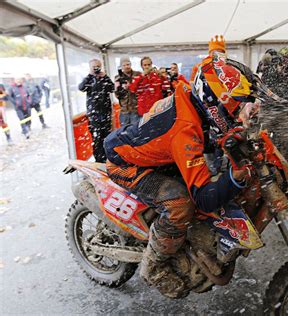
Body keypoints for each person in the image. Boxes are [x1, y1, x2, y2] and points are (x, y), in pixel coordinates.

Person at [104, 54, 268, 298]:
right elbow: (203, 198)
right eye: (236, 105)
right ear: (214, 98)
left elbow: (209, 135)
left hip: (153, 156)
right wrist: (234, 178)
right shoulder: (185, 129)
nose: (238, 111)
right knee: (181, 204)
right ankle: (154, 267)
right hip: (125, 164)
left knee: (206, 184)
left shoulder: (189, 101)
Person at [259, 47, 288, 162]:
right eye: (282, 57)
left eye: (287, 57)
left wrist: (283, 73)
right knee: (261, 139)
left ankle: (286, 165)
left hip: (282, 111)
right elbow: (260, 69)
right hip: (266, 110)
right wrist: (269, 61)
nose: (284, 59)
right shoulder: (268, 70)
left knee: (287, 139)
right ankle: (263, 164)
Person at [78, 59, 115, 162]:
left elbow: (112, 88)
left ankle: (108, 158)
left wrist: (105, 77)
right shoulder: (88, 79)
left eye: (98, 66)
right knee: (96, 138)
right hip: (94, 114)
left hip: (105, 113)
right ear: (90, 67)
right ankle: (98, 159)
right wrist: (90, 75)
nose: (96, 69)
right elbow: (81, 88)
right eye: (94, 67)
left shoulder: (104, 78)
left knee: (107, 136)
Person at [114, 57, 141, 126]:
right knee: (124, 132)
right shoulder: (118, 77)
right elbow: (117, 95)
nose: (126, 66)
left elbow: (141, 90)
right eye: (124, 65)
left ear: (131, 64)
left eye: (128, 64)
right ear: (121, 66)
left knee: (136, 131)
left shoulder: (138, 74)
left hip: (136, 109)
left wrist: (131, 86)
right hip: (124, 110)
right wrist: (118, 88)